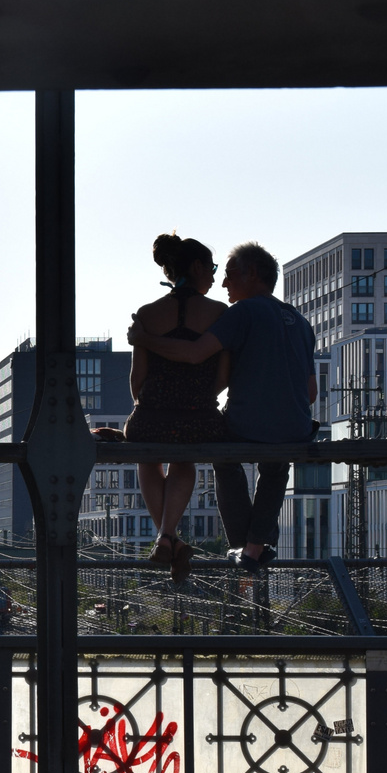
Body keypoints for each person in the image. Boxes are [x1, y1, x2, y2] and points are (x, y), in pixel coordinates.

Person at [127, 242, 317, 575]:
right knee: (276, 465)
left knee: (223, 458)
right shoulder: (300, 321)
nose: (225, 283)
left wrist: (142, 339)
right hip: (296, 428)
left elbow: (193, 354)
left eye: (229, 275)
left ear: (253, 274)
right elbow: (311, 392)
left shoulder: (241, 313)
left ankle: (237, 543)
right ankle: (256, 545)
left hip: (242, 425)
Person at [123, 233, 231, 582]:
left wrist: (155, 402)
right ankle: (168, 537)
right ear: (197, 266)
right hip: (199, 417)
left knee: (147, 455)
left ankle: (168, 539)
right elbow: (223, 376)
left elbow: (137, 381)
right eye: (212, 268)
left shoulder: (147, 315)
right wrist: (197, 397)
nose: (215, 277)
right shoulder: (218, 313)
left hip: (150, 416)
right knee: (184, 457)